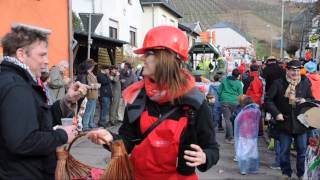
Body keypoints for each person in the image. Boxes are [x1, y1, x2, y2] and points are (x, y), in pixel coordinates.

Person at [87, 26, 219, 179]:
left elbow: (212, 148)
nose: (143, 58)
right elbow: (128, 142)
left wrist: (204, 157)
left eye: (148, 53)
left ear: (166, 58)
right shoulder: (138, 97)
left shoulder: (195, 102)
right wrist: (110, 139)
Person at [0, 24, 86, 179]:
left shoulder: (16, 81)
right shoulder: (16, 87)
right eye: (42, 55)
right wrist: (62, 135)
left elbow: (36, 120)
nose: (46, 61)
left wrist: (65, 100)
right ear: (21, 54)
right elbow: (22, 141)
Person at [265, 60, 314, 179]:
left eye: (297, 71)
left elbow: (311, 99)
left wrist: (305, 101)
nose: (295, 73)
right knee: (284, 152)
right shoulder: (278, 83)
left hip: (301, 123)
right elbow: (268, 100)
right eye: (293, 70)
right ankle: (286, 173)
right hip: (284, 122)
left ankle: (301, 174)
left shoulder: (305, 83)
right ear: (287, 70)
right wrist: (276, 114)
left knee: (302, 151)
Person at [234, 95, 261, 175]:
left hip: (243, 134)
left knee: (243, 151)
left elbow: (236, 121)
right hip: (253, 135)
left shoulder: (243, 113)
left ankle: (244, 169)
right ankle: (252, 168)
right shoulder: (256, 111)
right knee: (253, 151)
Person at [218, 68, 243, 144]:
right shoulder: (239, 83)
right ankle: (229, 137)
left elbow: (220, 90)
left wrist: (220, 98)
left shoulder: (224, 80)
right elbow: (240, 94)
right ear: (238, 76)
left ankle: (230, 137)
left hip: (225, 101)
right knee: (231, 119)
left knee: (227, 120)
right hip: (235, 102)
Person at [76, 59, 100, 131]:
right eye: (92, 66)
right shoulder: (86, 75)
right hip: (88, 95)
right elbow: (87, 85)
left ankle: (89, 124)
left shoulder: (89, 74)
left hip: (92, 95)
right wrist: (95, 85)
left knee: (91, 111)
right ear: (89, 67)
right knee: (87, 111)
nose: (93, 67)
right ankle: (85, 125)